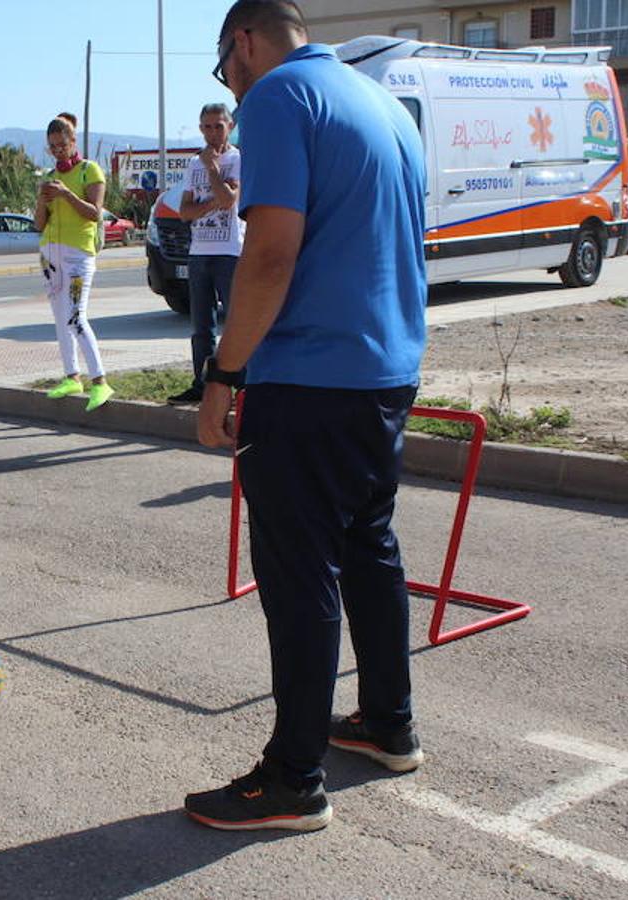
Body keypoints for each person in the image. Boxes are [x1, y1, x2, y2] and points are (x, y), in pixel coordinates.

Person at [186, 0, 428, 832]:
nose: (234, 85)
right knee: (369, 549)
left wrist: (222, 373)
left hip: (310, 378)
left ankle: (292, 779)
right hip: (385, 371)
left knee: (298, 577)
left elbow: (272, 251)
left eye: (228, 69)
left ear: (244, 44)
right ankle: (389, 724)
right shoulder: (385, 104)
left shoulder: (282, 98)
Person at [34, 116, 115, 413]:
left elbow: (95, 213)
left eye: (63, 145)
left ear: (73, 142)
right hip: (50, 255)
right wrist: (43, 199)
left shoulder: (88, 171)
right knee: (60, 319)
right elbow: (39, 224)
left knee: (76, 318)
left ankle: (100, 380)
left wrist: (66, 194)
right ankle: (72, 376)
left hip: (78, 255)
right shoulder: (50, 176)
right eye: (53, 146)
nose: (58, 151)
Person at [167, 103, 244, 406]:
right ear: (200, 129)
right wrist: (213, 199)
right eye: (207, 127)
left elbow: (229, 199)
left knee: (235, 322)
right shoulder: (192, 164)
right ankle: (201, 383)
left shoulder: (237, 159)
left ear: (229, 126)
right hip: (199, 252)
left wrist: (213, 170)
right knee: (201, 326)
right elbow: (185, 212)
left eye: (218, 126)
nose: (213, 133)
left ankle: (242, 385)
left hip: (229, 252)